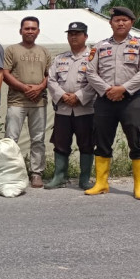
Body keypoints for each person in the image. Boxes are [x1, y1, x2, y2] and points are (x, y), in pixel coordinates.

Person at [85, 6, 140, 199]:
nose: (121, 23)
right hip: (105, 100)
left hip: (131, 100)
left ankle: (139, 186)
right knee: (101, 140)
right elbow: (91, 72)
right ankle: (101, 183)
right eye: (117, 20)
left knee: (137, 140)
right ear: (110, 23)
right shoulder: (99, 46)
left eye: (125, 20)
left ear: (132, 22)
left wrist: (123, 89)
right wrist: (108, 90)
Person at [44, 22, 97, 190]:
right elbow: (51, 80)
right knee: (60, 144)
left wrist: (79, 97)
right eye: (71, 33)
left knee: (87, 144)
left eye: (78, 33)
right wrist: (62, 96)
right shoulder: (60, 58)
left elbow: (96, 81)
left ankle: (84, 179)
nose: (73, 36)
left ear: (85, 36)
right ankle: (59, 177)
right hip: (63, 110)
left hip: (85, 110)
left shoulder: (93, 57)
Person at [3, 16, 51, 189]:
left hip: (38, 102)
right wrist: (25, 88)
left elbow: (49, 75)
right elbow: (5, 74)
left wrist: (39, 88)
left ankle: (36, 173)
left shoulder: (44, 51)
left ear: (38, 31)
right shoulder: (11, 50)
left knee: (38, 139)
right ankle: (10, 172)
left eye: (33, 28)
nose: (30, 31)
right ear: (21, 30)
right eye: (27, 28)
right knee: (11, 139)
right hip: (17, 102)